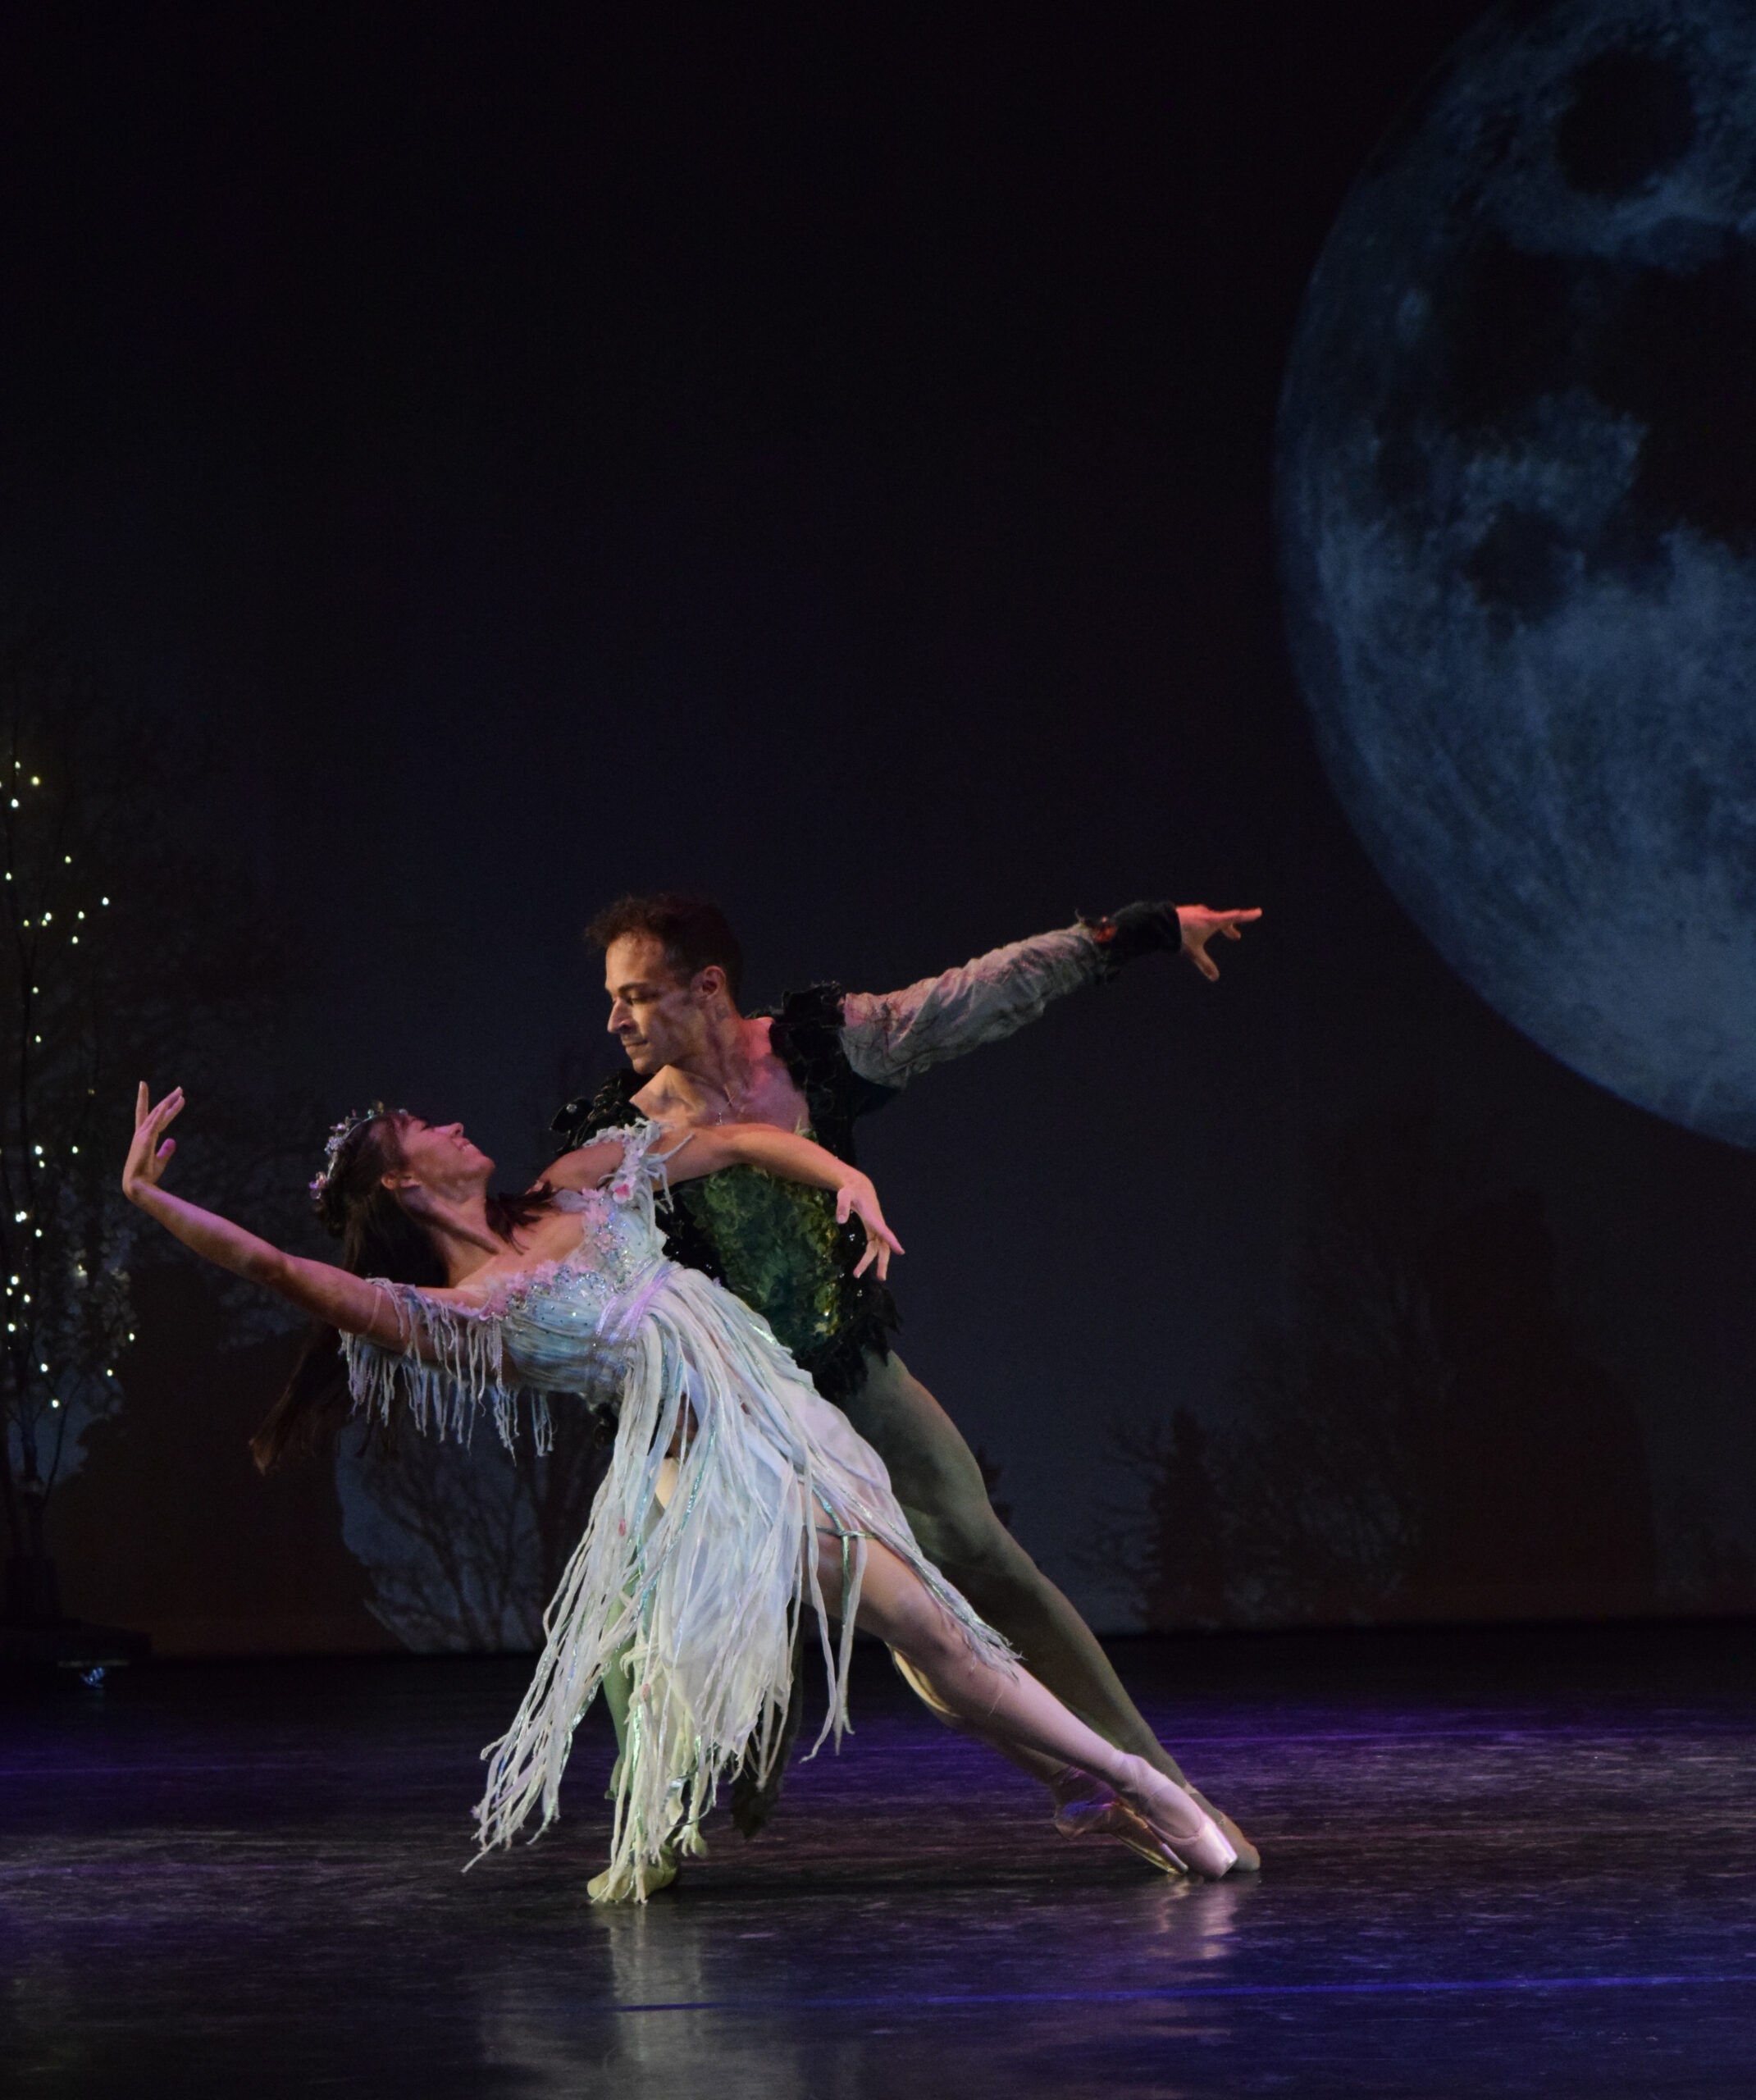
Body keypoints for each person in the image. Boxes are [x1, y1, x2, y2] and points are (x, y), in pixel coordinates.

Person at [121, 1084, 1239, 1902]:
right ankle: (1140, 1785)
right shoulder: (462, 1312)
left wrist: (844, 1176)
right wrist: (149, 1199)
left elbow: (730, 1141)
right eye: (422, 1126)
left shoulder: (573, 1182)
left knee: (923, 1635)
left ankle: (1080, 1788)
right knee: (927, 1625)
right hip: (718, 1479)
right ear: (402, 1180)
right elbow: (281, 1271)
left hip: (794, 1419)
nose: (454, 1123)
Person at [554, 893, 1261, 1868]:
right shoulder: (620, 1135)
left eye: (636, 995)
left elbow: (973, 997)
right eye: (613, 998)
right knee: (646, 1627)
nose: (614, 1020)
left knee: (980, 1562)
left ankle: (1157, 1791)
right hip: (718, 1416)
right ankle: (655, 1822)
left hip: (847, 1373)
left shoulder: (819, 1049)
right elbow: (575, 1285)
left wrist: (1136, 931)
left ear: (707, 986)